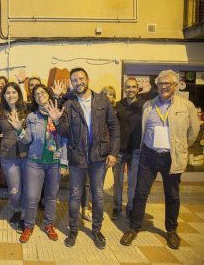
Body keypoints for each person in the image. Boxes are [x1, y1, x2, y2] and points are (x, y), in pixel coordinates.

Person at [120, 70, 200, 250]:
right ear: (158, 85)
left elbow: (193, 132)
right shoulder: (149, 105)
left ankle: (171, 231)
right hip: (148, 156)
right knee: (140, 194)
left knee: (172, 196)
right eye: (162, 83)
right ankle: (134, 228)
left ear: (175, 85)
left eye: (168, 83)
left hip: (171, 157)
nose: (165, 86)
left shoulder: (186, 106)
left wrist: (180, 149)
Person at [57, 67, 120, 249]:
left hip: (99, 157)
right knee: (75, 196)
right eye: (74, 80)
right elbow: (64, 132)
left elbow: (114, 128)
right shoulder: (69, 104)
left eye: (81, 78)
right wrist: (56, 120)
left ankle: (97, 230)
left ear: (88, 79)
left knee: (98, 196)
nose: (78, 82)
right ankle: (73, 230)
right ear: (71, 83)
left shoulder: (102, 100)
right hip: (77, 158)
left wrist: (113, 153)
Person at [8, 84, 67, 243]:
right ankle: (28, 226)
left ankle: (49, 224)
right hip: (34, 162)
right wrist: (19, 129)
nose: (39, 95)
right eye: (36, 94)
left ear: (48, 94)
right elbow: (27, 140)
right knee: (32, 197)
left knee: (51, 196)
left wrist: (64, 163)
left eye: (42, 92)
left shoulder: (58, 114)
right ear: (33, 99)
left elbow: (64, 139)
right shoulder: (31, 117)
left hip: (54, 162)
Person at [111, 77, 145, 221]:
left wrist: (149, 92)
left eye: (133, 87)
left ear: (137, 89)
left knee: (132, 183)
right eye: (128, 87)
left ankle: (130, 208)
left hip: (136, 150)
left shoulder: (143, 105)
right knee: (117, 182)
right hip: (119, 150)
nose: (130, 89)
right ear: (124, 89)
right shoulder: (118, 105)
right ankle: (117, 207)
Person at [0, 82, 28, 231]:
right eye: (8, 93)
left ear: (19, 94)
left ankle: (23, 214)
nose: (11, 95)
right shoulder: (0, 113)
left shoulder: (27, 111)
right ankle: (16, 210)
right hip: (8, 156)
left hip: (27, 155)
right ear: (4, 96)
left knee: (27, 189)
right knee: (15, 190)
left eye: (14, 92)